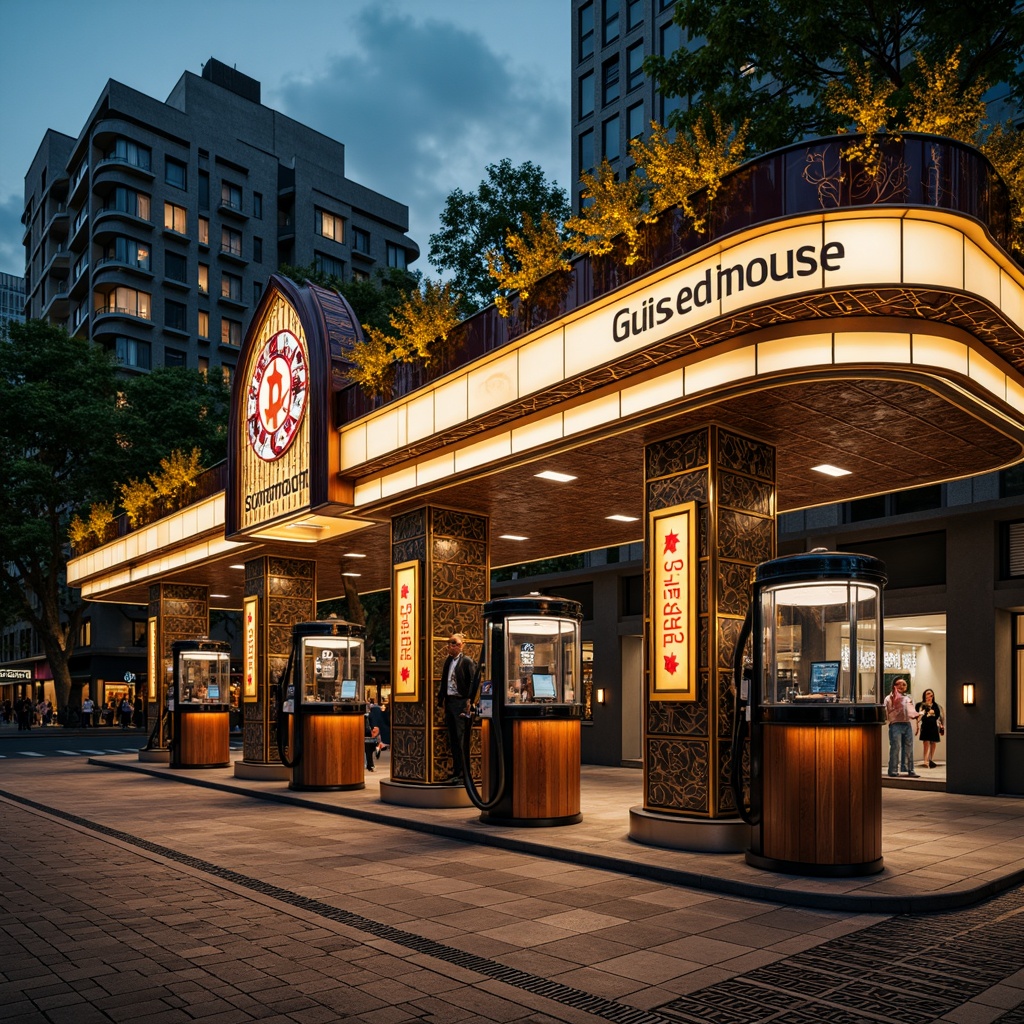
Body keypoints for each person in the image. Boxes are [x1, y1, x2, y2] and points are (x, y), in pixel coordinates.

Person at [436, 633, 477, 784]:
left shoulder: (466, 661)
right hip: (450, 701)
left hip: (461, 701)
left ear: (462, 645)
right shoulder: (449, 661)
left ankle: (463, 774)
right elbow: (444, 681)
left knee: (461, 738)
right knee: (453, 738)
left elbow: (474, 681)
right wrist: (442, 700)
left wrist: (470, 701)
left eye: (454, 643)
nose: (451, 646)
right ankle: (456, 771)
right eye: (449, 643)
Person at [885, 678, 921, 777]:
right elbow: (885, 712)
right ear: (894, 685)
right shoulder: (888, 698)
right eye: (899, 684)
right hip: (895, 724)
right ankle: (893, 770)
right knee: (895, 747)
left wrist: (917, 722)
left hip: (907, 724)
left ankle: (909, 769)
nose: (902, 686)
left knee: (909, 747)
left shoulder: (908, 698)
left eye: (904, 684)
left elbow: (912, 712)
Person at [916, 688, 944, 769]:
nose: (929, 696)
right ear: (924, 695)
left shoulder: (936, 705)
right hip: (925, 725)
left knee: (933, 742)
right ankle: (925, 760)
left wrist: (941, 725)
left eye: (931, 694)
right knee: (926, 742)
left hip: (933, 726)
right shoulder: (920, 705)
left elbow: (939, 716)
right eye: (927, 694)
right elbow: (918, 715)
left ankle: (930, 759)